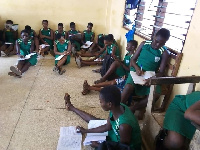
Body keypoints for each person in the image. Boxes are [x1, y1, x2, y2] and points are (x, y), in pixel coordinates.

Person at [64, 85, 141, 150]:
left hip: (123, 146)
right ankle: (72, 107)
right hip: (116, 135)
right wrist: (85, 131)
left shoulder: (124, 126)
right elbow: (107, 126)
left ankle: (71, 107)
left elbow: (122, 148)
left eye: (101, 101)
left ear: (109, 104)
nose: (100, 103)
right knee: (94, 121)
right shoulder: (117, 107)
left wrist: (98, 145)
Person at [121, 28, 170, 114]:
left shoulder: (164, 53)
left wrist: (152, 78)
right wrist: (136, 68)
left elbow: (161, 72)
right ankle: (119, 107)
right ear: (154, 36)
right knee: (128, 87)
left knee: (156, 94)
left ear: (165, 43)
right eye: (156, 41)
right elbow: (133, 60)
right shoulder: (144, 44)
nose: (157, 45)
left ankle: (133, 108)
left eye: (161, 43)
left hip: (150, 76)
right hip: (136, 71)